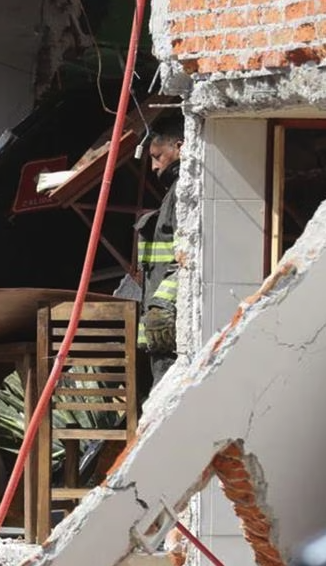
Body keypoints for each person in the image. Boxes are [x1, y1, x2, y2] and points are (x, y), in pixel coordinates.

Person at [135, 115, 184, 387]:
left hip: (170, 322)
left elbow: (184, 255)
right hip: (163, 325)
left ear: (178, 147)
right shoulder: (174, 194)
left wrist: (162, 305)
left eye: (157, 156)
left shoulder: (183, 192)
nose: (154, 167)